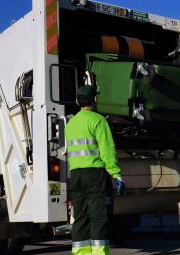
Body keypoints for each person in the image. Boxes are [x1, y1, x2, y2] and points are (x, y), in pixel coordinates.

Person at [65, 85, 124, 255]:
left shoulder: (71, 123)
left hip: (76, 175)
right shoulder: (98, 120)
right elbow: (107, 150)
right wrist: (116, 174)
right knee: (99, 218)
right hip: (95, 175)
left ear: (77, 101)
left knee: (81, 218)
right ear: (95, 100)